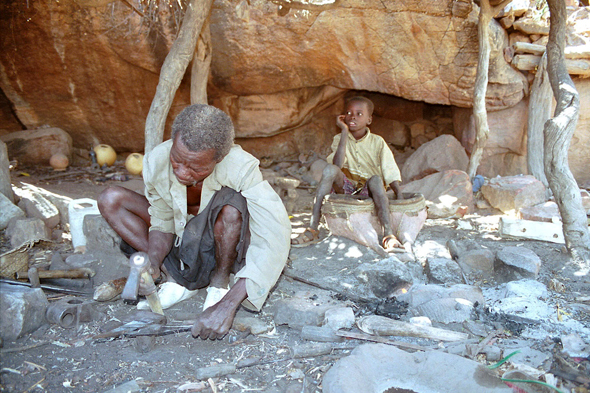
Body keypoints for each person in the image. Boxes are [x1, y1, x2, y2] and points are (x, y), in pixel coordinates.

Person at [98, 104, 291, 340]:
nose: (182, 172)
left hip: (220, 244)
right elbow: (162, 219)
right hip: (181, 239)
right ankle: (175, 279)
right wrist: (154, 261)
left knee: (232, 206)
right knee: (111, 199)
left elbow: (274, 235)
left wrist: (228, 304)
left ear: (219, 158)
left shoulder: (240, 166)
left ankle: (219, 284)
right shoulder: (156, 160)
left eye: (196, 167)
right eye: (177, 160)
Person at [291, 96, 404, 250]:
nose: (353, 117)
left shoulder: (378, 142)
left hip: (368, 190)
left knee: (377, 179)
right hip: (346, 188)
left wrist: (399, 194)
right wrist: (344, 131)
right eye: (349, 113)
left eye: (359, 114)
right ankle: (313, 228)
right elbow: (337, 165)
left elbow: (389, 168)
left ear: (369, 120)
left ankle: (388, 235)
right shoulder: (339, 138)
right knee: (330, 170)